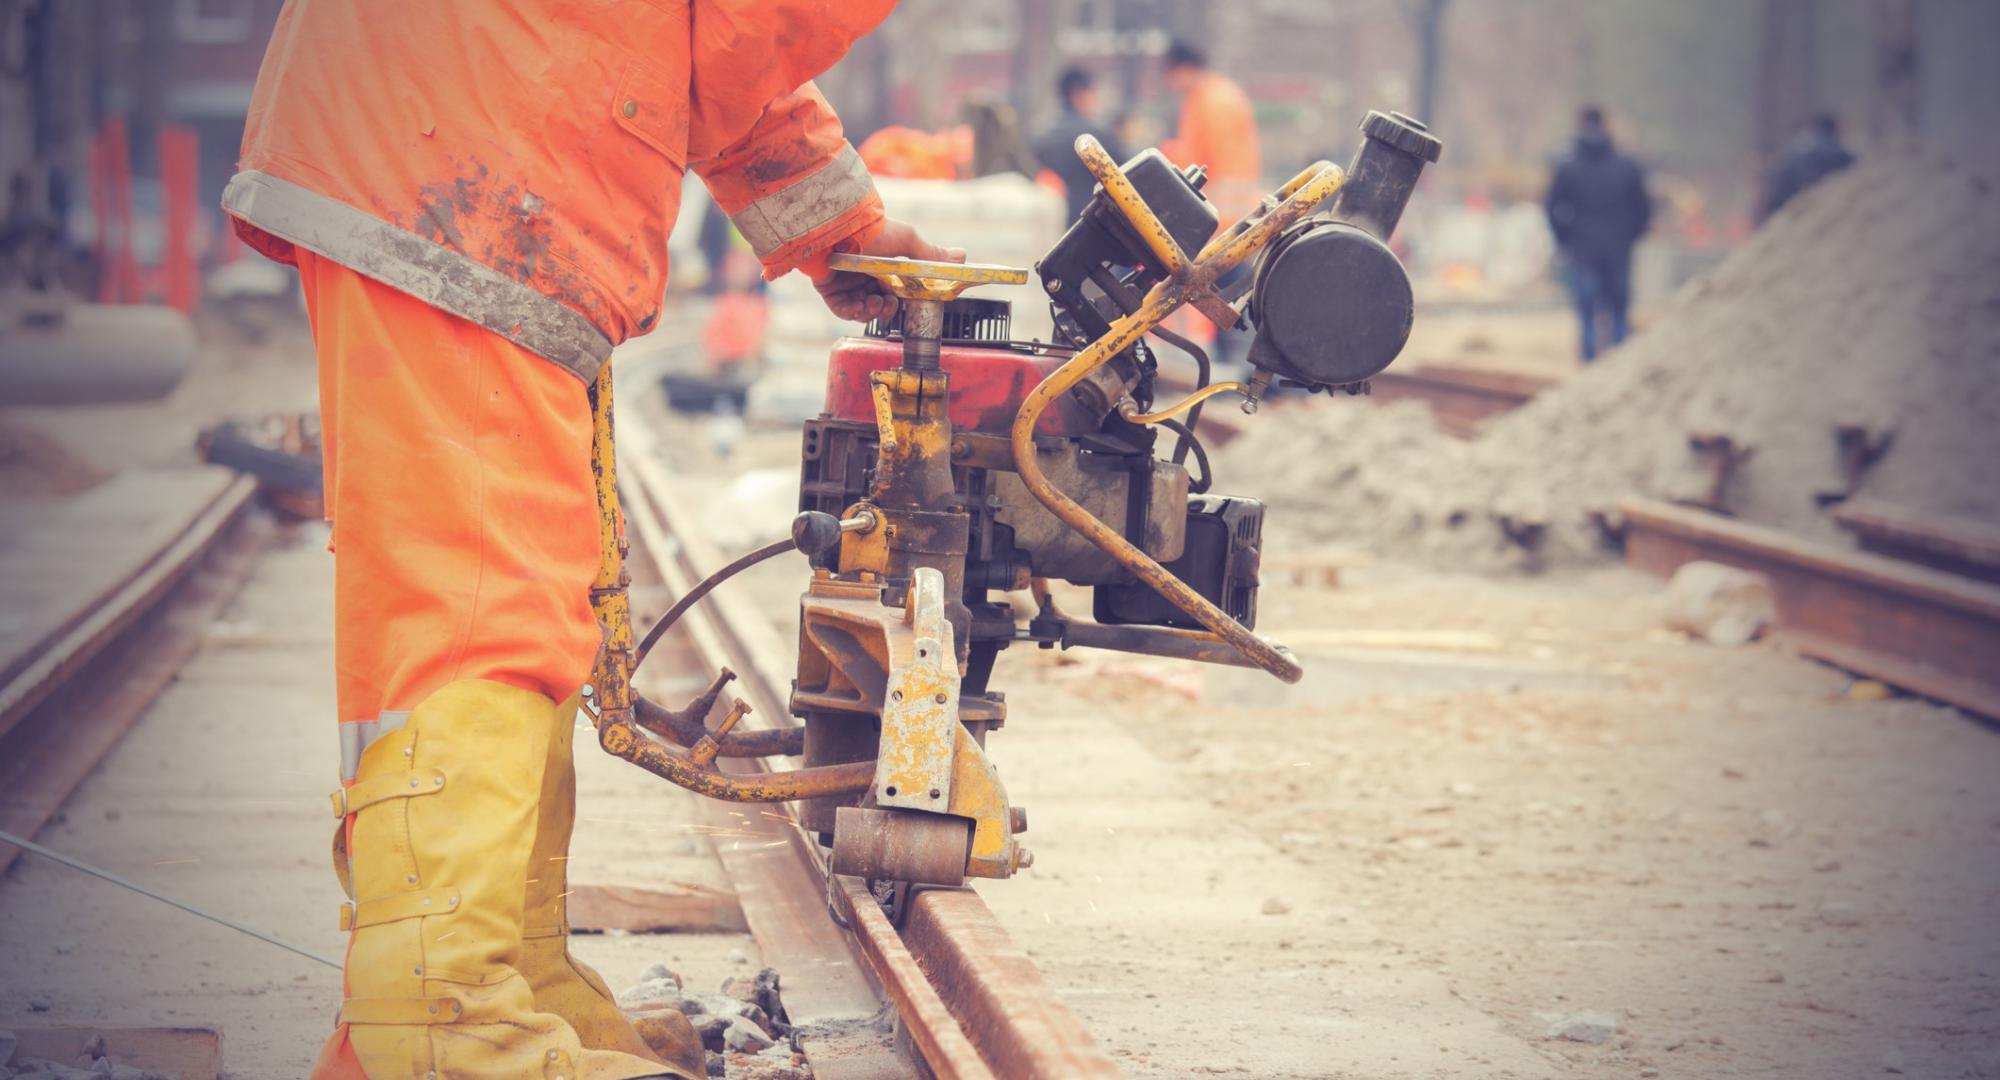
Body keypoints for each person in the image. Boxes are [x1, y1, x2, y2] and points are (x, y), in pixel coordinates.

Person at [218, 4, 960, 1078]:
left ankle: (503, 971)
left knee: (525, 584)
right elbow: (748, 33)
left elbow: (705, 39)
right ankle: (442, 1023)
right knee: (479, 607)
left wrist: (839, 230)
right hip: (471, 133)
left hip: (476, 120)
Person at [1543, 106, 1652, 362]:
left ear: (1580, 124)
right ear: (1605, 124)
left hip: (1583, 249)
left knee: (1587, 314)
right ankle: (1620, 368)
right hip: (1618, 248)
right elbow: (1644, 208)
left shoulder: (1569, 165)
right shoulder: (1626, 165)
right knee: (1618, 312)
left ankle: (1590, 372)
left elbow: (1552, 206)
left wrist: (1565, 237)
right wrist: (1630, 235)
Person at [1159, 41, 1261, 225]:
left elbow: (1220, 163)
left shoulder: (1213, 102)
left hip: (1222, 217)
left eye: (1171, 74)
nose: (1171, 83)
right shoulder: (1207, 97)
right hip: (1221, 212)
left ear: (1186, 69)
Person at [1033, 67, 1127, 222]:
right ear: (1078, 95)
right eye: (1093, 94)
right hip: (1094, 222)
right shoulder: (1098, 138)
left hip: (1054, 222)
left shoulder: (1042, 138)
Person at [1764, 113, 1856, 218]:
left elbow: (1776, 190)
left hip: (1791, 209)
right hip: (1819, 208)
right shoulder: (1841, 154)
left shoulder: (1795, 152)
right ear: (1834, 130)